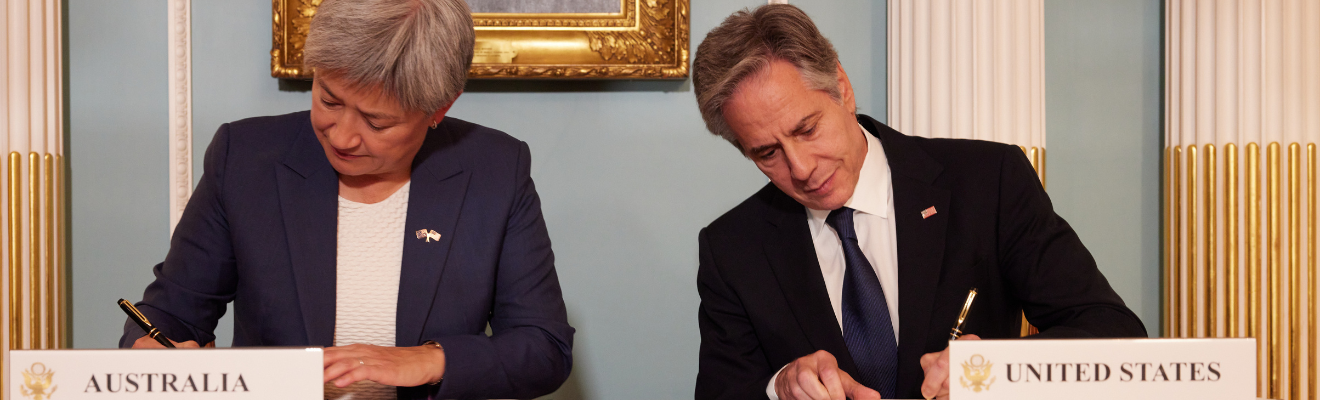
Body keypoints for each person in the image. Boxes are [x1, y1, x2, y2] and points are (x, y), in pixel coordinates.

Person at [117, 0, 574, 399]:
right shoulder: (247, 157)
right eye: (329, 100)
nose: (342, 136)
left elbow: (543, 348)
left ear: (440, 108)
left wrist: (430, 360)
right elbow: (168, 316)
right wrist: (153, 353)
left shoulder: (493, 169)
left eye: (377, 123)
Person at [691, 5, 1146, 400]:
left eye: (807, 129)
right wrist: (779, 386)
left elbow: (1112, 331)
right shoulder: (732, 249)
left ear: (842, 88)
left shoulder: (989, 181)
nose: (802, 167)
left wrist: (997, 368)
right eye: (767, 153)